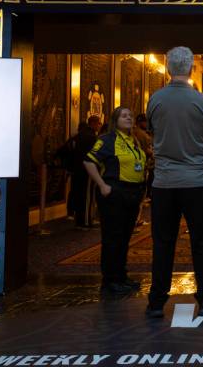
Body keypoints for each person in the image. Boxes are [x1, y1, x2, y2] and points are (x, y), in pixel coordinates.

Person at [145, 46, 203, 319]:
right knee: (201, 241)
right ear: (190, 68)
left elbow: (153, 135)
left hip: (164, 182)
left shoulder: (155, 100)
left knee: (163, 242)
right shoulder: (202, 102)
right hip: (196, 181)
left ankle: (156, 302)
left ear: (167, 68)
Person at [83, 107, 147, 295]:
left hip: (132, 193)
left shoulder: (133, 140)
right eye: (124, 116)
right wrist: (102, 185)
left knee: (125, 238)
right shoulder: (107, 139)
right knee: (113, 238)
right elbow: (88, 161)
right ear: (115, 120)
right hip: (115, 192)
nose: (129, 118)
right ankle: (110, 281)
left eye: (130, 116)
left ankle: (121, 276)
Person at [58, 120, 97, 229]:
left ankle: (79, 221)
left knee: (78, 195)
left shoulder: (75, 137)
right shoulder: (92, 138)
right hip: (88, 170)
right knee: (87, 197)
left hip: (76, 170)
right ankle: (86, 222)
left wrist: (68, 166)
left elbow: (63, 150)